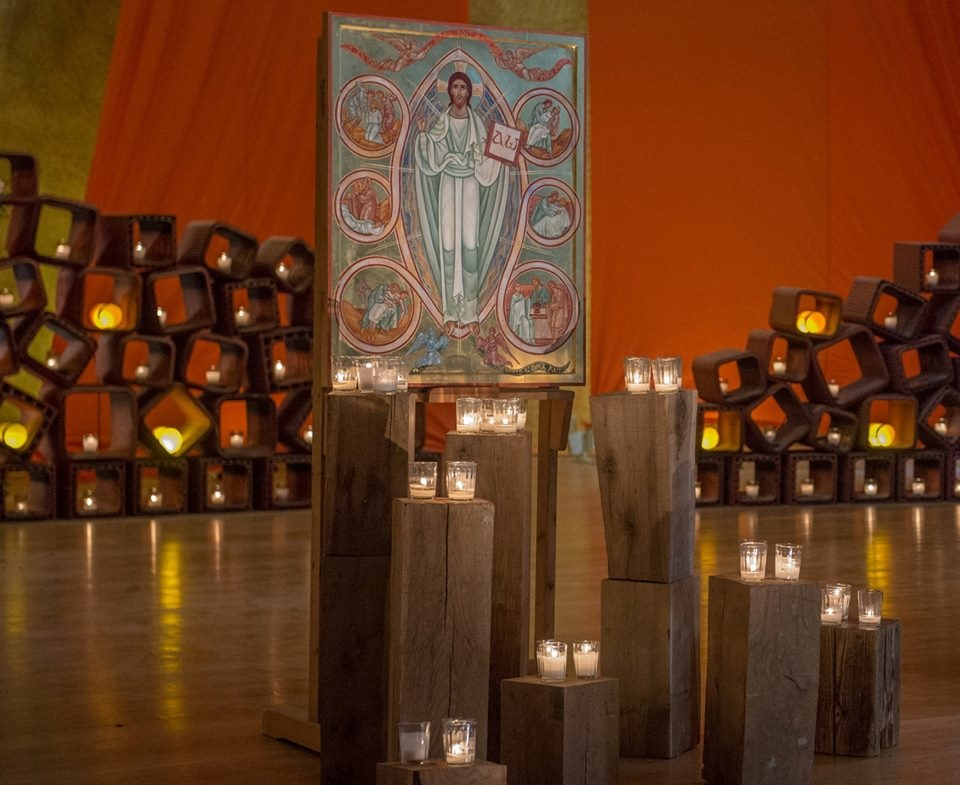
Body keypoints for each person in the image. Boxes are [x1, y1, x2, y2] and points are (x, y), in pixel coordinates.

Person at [414, 71, 509, 335]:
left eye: (463, 87)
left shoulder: (477, 125)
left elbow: (489, 157)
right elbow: (432, 154)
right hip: (447, 182)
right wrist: (423, 136)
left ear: (469, 92)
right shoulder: (441, 123)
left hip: (470, 184)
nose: (459, 92)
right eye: (455, 87)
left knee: (469, 246)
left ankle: (470, 313)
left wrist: (506, 147)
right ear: (449, 91)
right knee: (447, 245)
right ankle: (449, 313)